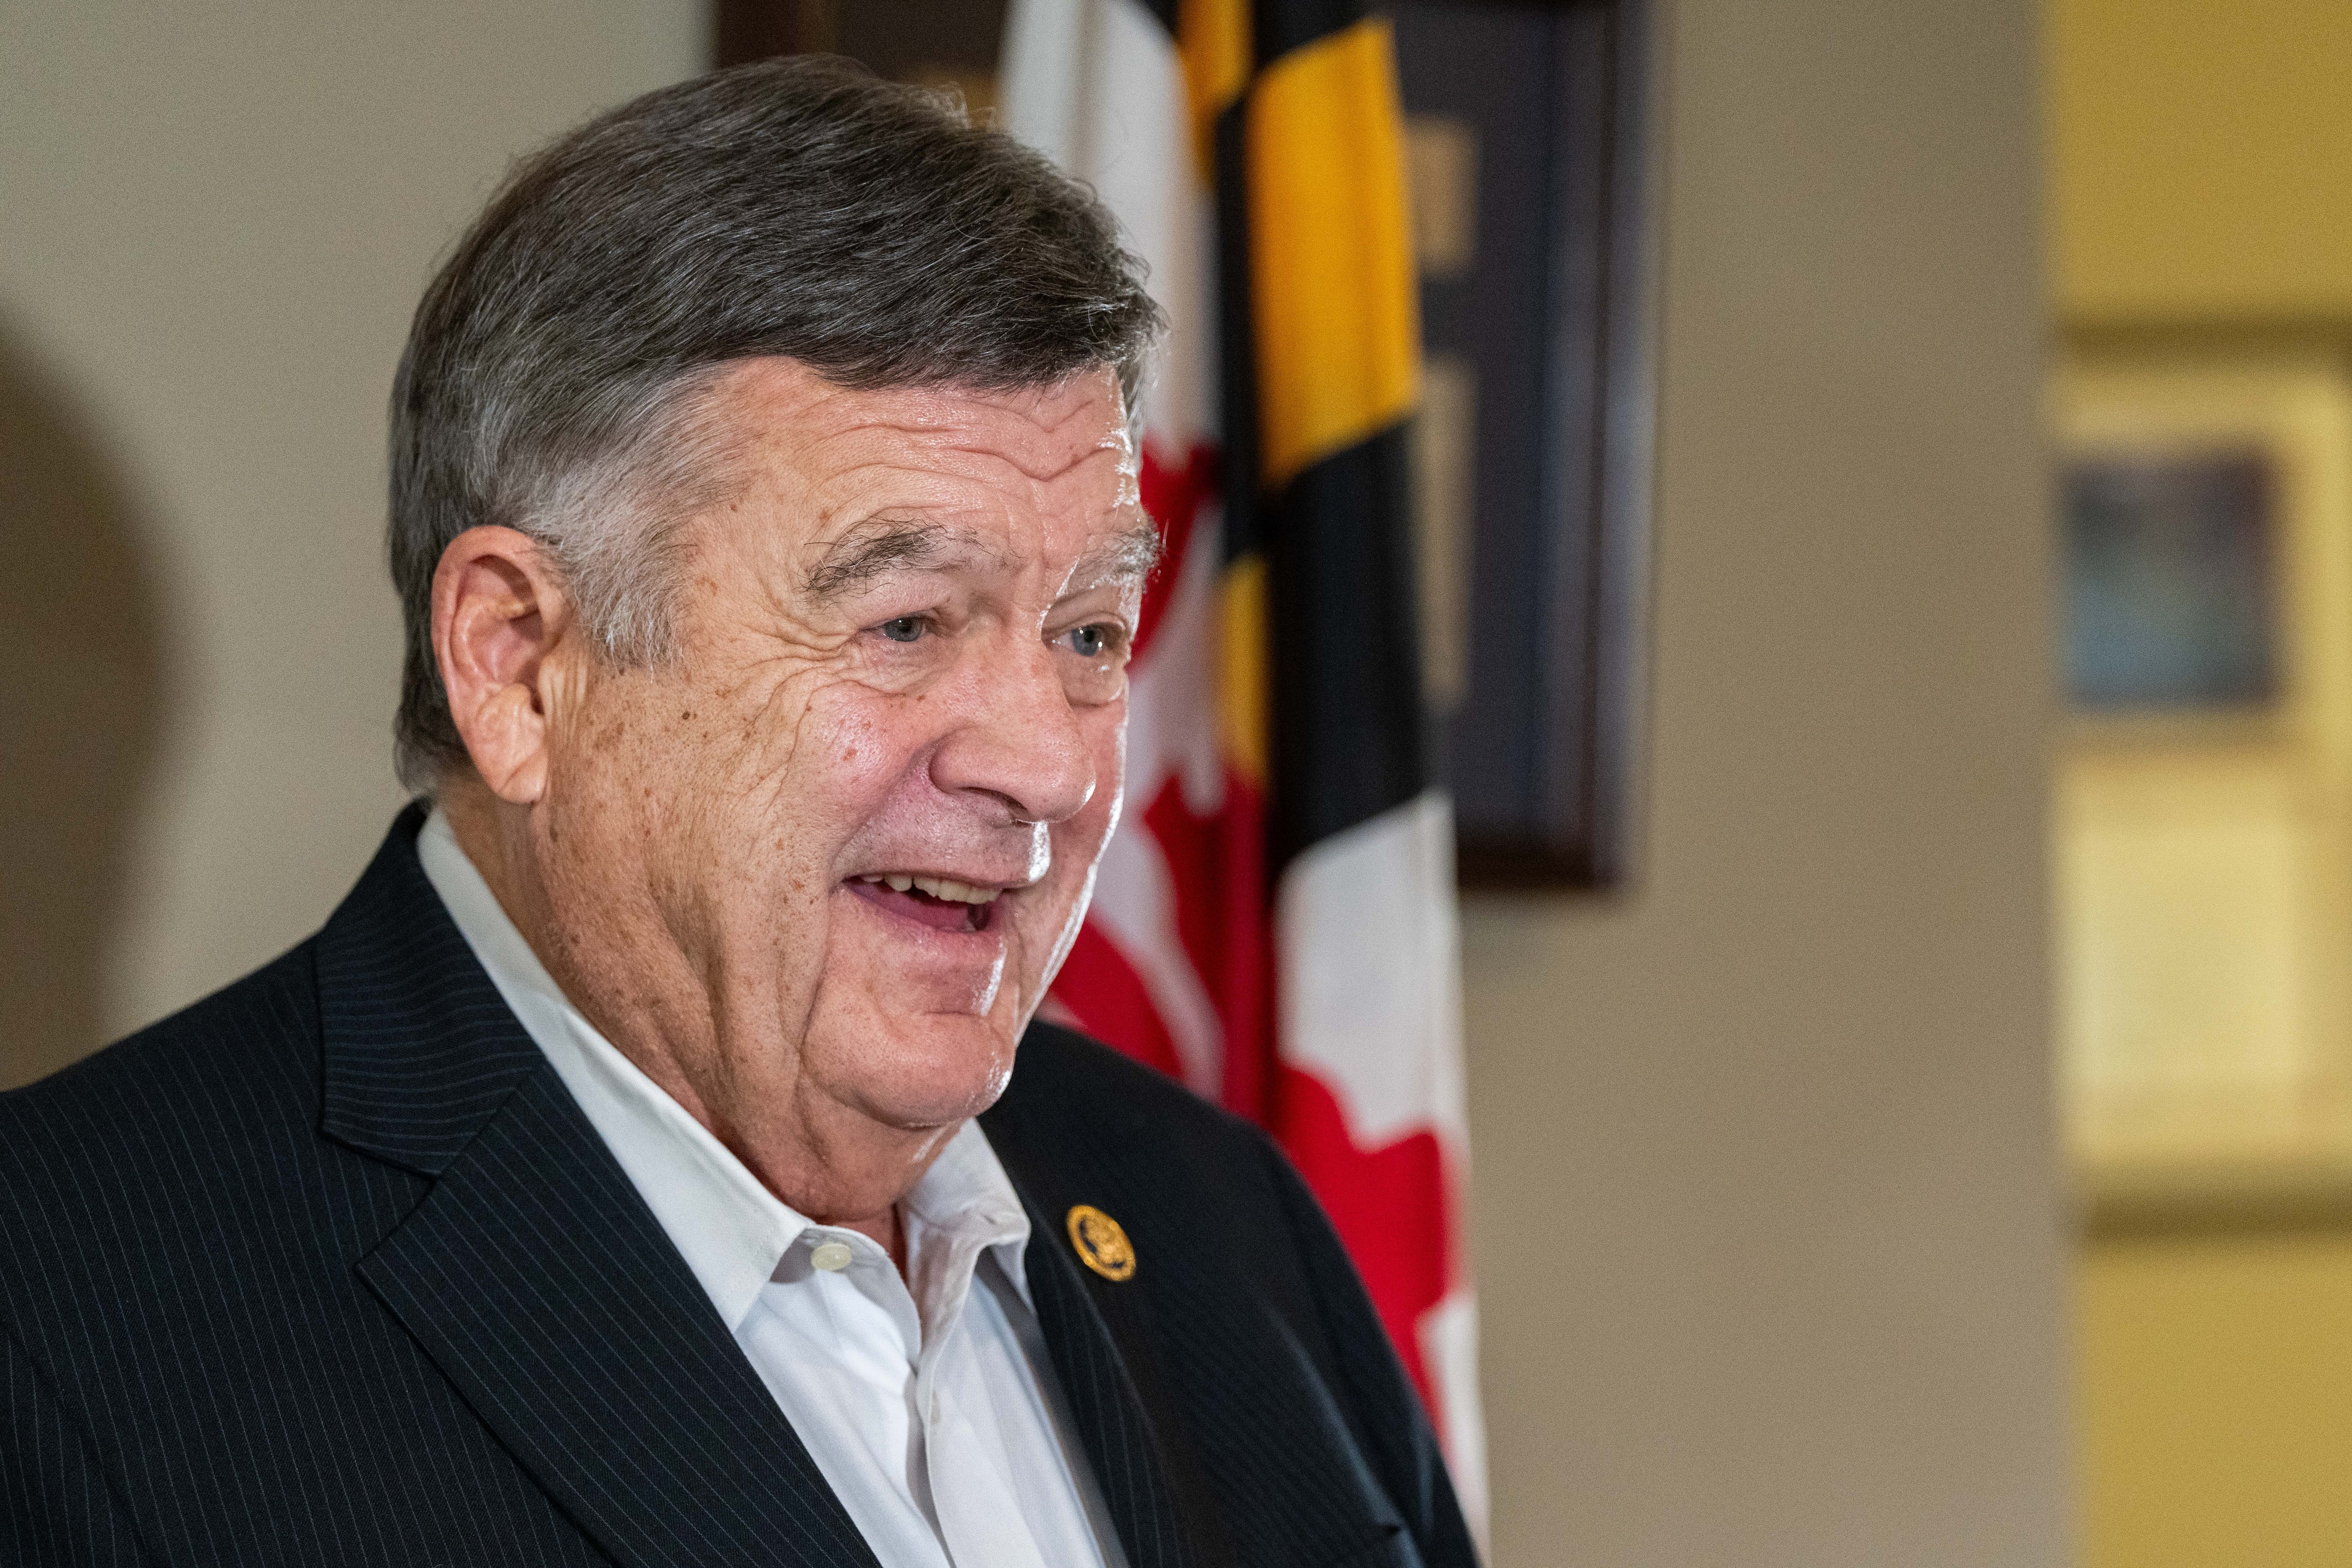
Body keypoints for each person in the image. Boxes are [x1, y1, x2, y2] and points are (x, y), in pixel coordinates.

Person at [0, 57, 1478, 1568]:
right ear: (520, 666)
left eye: (1091, 633)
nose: (1047, 763)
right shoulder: (55, 1329)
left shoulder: (1228, 1225)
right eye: (906, 623)